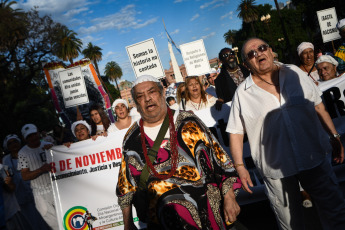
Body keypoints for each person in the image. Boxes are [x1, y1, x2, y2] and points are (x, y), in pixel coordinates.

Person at [227, 37, 345, 230]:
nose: (258, 53)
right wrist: (240, 167)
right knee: (290, 224)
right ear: (247, 64)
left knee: (336, 212)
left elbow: (319, 107)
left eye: (262, 47)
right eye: (251, 53)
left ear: (271, 51)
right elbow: (236, 133)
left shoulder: (295, 73)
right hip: (276, 171)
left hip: (313, 157)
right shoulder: (242, 93)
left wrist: (335, 136)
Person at [116, 75, 241, 229]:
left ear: (162, 92)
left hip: (209, 218)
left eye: (152, 92)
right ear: (135, 103)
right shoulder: (131, 139)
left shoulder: (189, 122)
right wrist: (127, 224)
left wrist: (229, 198)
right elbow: (125, 187)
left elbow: (221, 162)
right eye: (140, 96)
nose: (147, 99)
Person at [2, 135, 49, 229]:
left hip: (38, 192)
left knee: (47, 219)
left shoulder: (28, 152)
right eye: (10, 143)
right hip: (21, 198)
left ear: (19, 142)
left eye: (15, 141)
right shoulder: (6, 160)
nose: (13, 144)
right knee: (32, 224)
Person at [17, 124, 59, 229]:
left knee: (67, 217)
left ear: (38, 133)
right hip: (40, 195)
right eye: (29, 136)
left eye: (34, 134)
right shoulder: (22, 153)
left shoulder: (49, 145)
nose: (33, 137)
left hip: (57, 188)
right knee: (54, 225)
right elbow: (25, 176)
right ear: (24, 138)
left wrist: (54, 150)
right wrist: (41, 170)